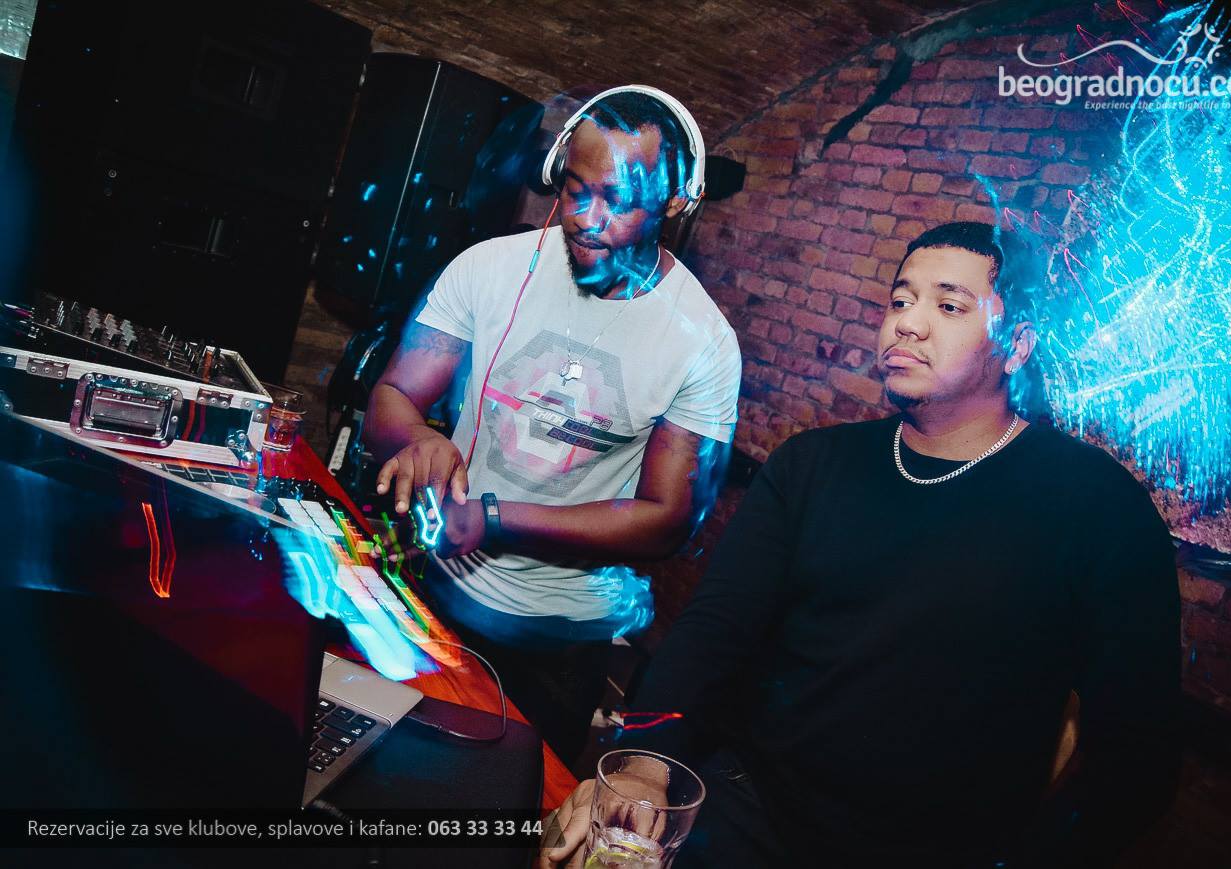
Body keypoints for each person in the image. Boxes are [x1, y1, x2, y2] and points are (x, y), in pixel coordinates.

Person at [541, 221, 1181, 867]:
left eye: (949, 306)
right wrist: (647, 762)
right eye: (901, 300)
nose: (908, 323)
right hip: (749, 808)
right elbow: (714, 631)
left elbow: (1137, 755)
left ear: (1017, 345)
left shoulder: (1095, 506)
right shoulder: (812, 464)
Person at [363, 87, 741, 768]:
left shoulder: (703, 344)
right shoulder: (487, 268)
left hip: (561, 644)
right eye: (575, 191)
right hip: (434, 596)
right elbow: (391, 396)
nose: (587, 219)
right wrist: (418, 439)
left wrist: (495, 518)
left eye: (619, 200)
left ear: (676, 202)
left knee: (510, 812)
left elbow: (666, 520)